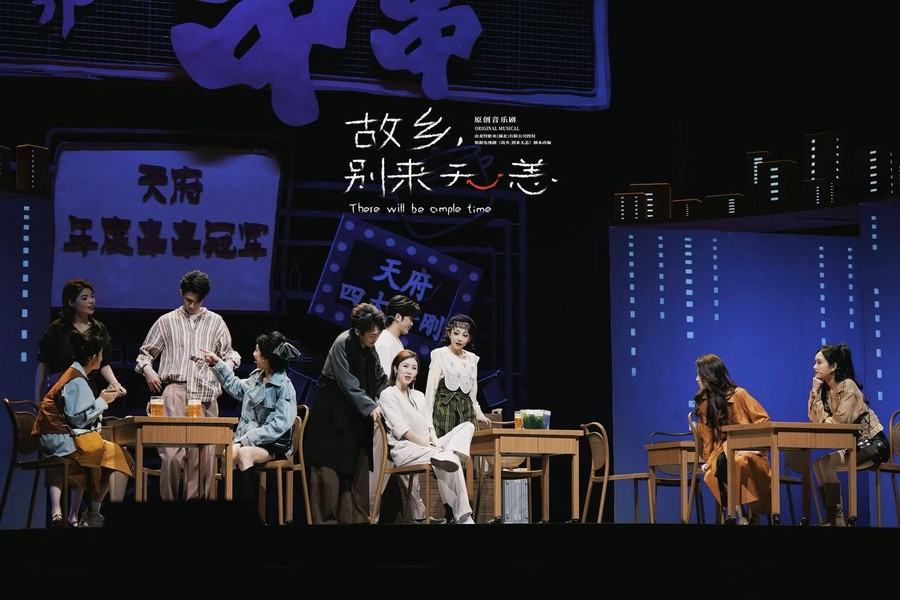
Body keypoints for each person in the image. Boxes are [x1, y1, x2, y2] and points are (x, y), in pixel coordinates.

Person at [134, 269, 241, 501]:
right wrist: (148, 370)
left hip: (205, 395)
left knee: (201, 459)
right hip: (176, 392)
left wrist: (225, 367)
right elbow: (144, 354)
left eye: (197, 302)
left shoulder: (215, 322)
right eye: (188, 300)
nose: (192, 306)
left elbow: (231, 354)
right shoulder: (166, 321)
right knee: (171, 455)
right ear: (181, 293)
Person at [33, 278, 127, 526]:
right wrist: (38, 398)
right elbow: (43, 365)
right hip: (62, 396)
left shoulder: (98, 329)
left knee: (91, 447)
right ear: (70, 302)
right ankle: (64, 511)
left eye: (92, 296)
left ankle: (78, 514)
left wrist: (114, 384)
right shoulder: (57, 330)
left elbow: (103, 364)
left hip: (85, 393)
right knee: (73, 445)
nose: (91, 301)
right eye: (84, 298)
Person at [304, 302, 387, 524]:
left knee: (354, 469)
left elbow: (379, 378)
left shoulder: (371, 348)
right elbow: (347, 382)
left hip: (354, 414)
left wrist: (390, 399)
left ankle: (354, 520)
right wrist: (371, 407)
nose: (375, 339)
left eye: (378, 335)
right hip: (332, 412)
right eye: (371, 335)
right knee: (329, 469)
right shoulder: (342, 343)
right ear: (358, 331)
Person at [200, 331, 299, 504]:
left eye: (257, 351)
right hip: (251, 440)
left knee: (244, 453)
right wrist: (217, 363)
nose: (253, 354)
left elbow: (279, 424)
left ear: (266, 359)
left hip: (273, 444)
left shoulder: (284, 386)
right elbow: (236, 387)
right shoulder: (257, 378)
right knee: (229, 452)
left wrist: (247, 439)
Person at [378, 349, 476, 524]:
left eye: (414, 368)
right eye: (405, 366)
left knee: (467, 426)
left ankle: (449, 455)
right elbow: (403, 430)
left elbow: (429, 424)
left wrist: (436, 443)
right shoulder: (388, 394)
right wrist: (429, 446)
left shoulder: (419, 396)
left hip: (428, 446)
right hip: (405, 450)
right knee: (449, 457)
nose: (409, 371)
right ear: (395, 368)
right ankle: (464, 516)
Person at [809, 342, 889, 526]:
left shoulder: (848, 387)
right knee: (818, 464)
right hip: (854, 446)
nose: (814, 367)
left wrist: (825, 420)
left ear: (833, 366)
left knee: (827, 464)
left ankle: (837, 519)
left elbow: (839, 424)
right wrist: (815, 392)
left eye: (819, 362)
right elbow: (815, 418)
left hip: (873, 445)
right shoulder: (826, 390)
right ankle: (832, 515)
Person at [424, 314, 491, 523]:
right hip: (444, 410)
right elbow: (430, 391)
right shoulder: (439, 354)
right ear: (449, 333)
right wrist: (428, 425)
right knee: (444, 463)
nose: (460, 338)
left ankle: (460, 511)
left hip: (465, 412)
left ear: (469, 338)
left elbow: (473, 393)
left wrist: (479, 413)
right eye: (456, 333)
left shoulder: (472, 359)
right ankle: (449, 511)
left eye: (464, 335)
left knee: (463, 464)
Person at [692, 353, 772, 525]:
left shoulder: (739, 394)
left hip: (749, 450)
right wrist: (708, 460)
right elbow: (708, 437)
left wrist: (749, 445)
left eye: (700, 374)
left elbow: (763, 421)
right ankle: (742, 515)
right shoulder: (706, 402)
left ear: (709, 375)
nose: (697, 379)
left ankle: (750, 516)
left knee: (737, 463)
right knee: (716, 468)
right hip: (724, 451)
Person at [372, 294, 429, 523]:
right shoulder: (385, 342)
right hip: (385, 417)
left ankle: (419, 515)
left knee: (408, 471)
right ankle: (371, 517)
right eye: (410, 319)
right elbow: (384, 383)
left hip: (396, 417)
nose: (412, 323)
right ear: (397, 316)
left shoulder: (396, 342)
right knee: (378, 475)